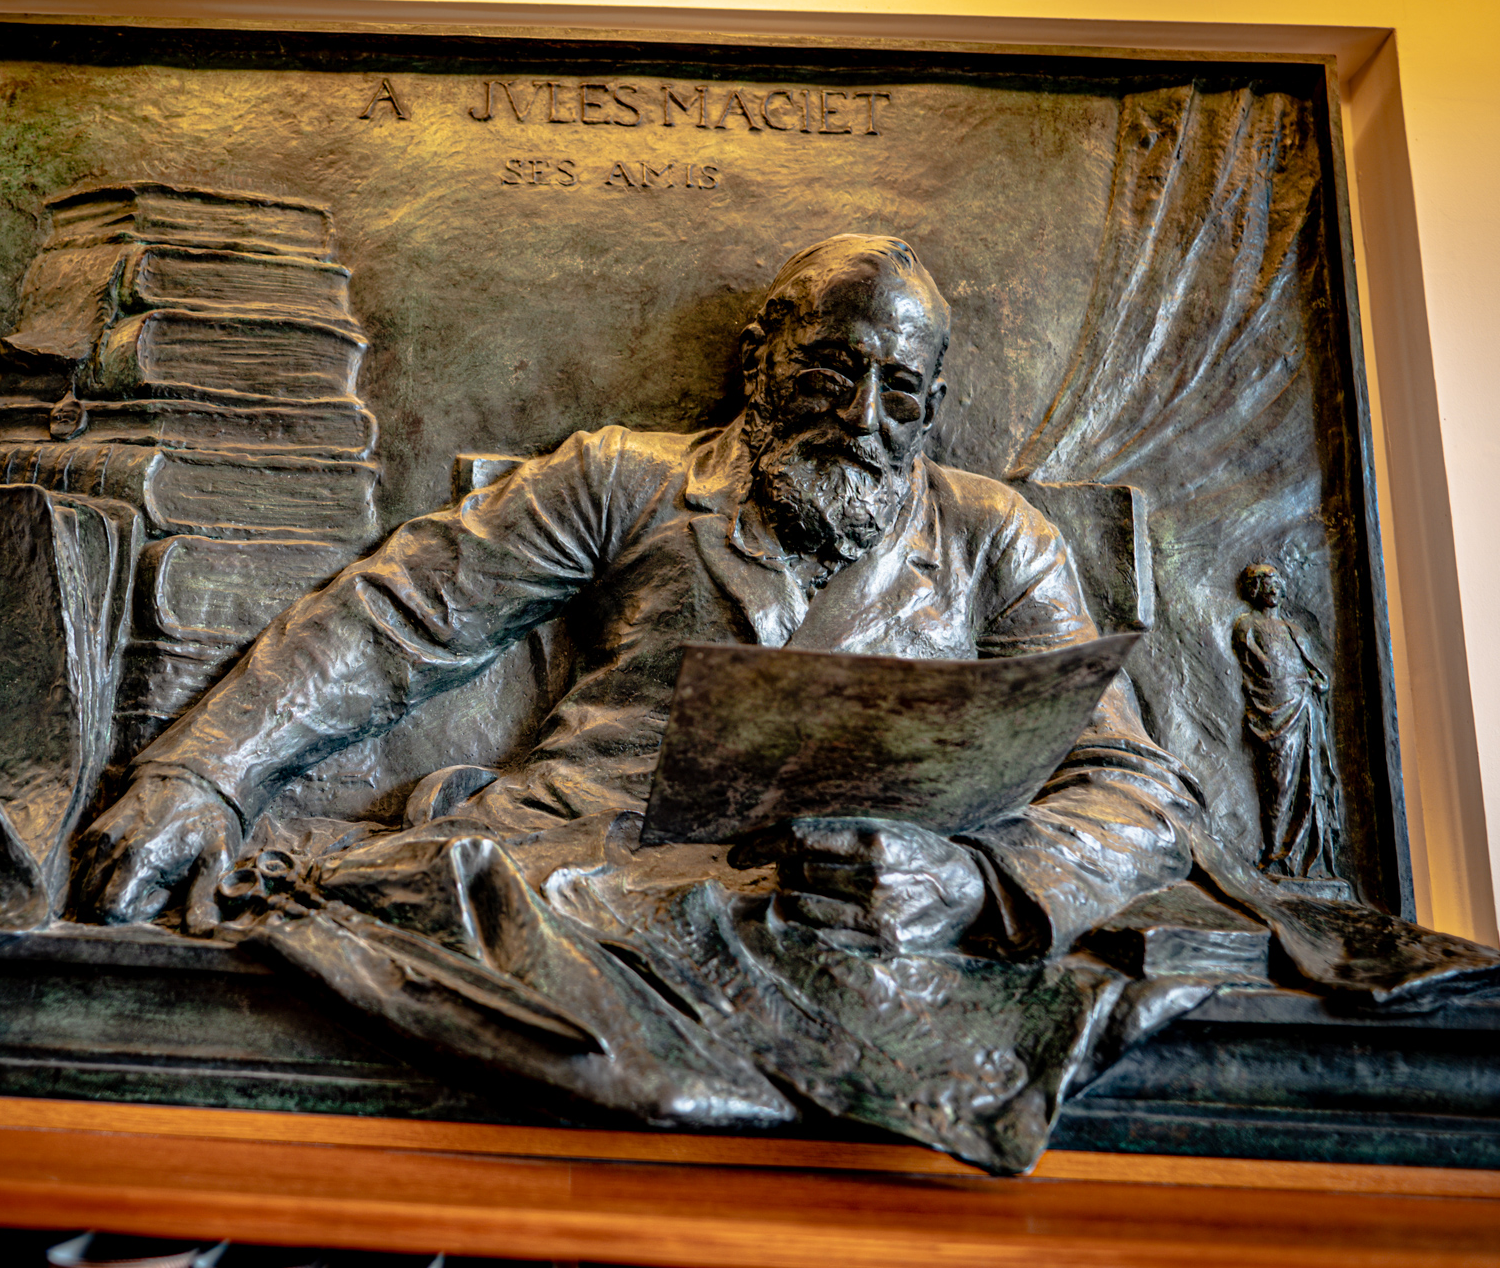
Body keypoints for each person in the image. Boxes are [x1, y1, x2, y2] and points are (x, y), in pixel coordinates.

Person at [65, 234, 1213, 1169]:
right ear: (762, 360)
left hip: (843, 918)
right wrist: (202, 771)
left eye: (900, 390)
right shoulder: (625, 477)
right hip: (580, 871)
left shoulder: (997, 540)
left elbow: (1137, 788)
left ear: (933, 403)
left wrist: (975, 885)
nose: (863, 414)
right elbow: (403, 614)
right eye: (832, 369)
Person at [1233, 562, 1342, 879]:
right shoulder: (1247, 625)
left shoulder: (1296, 631)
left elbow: (1315, 673)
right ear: (1254, 590)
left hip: (1303, 707)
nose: (1273, 589)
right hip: (1273, 710)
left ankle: (1296, 857)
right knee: (1279, 784)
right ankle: (1273, 850)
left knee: (1307, 780)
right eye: (1265, 584)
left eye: (1276, 584)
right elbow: (1263, 668)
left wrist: (1315, 683)